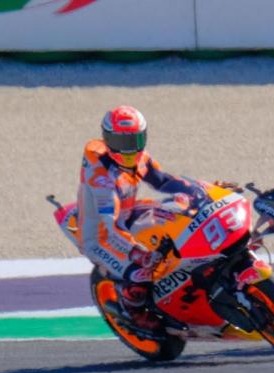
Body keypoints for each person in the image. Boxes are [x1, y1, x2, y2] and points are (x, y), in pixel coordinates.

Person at [67, 105, 185, 333]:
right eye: (122, 143)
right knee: (140, 273)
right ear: (107, 139)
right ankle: (133, 312)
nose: (129, 149)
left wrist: (196, 190)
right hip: (100, 237)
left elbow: (162, 181)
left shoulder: (140, 158)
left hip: (129, 214)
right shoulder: (101, 178)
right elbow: (110, 227)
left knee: (178, 216)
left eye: (135, 139)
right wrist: (137, 254)